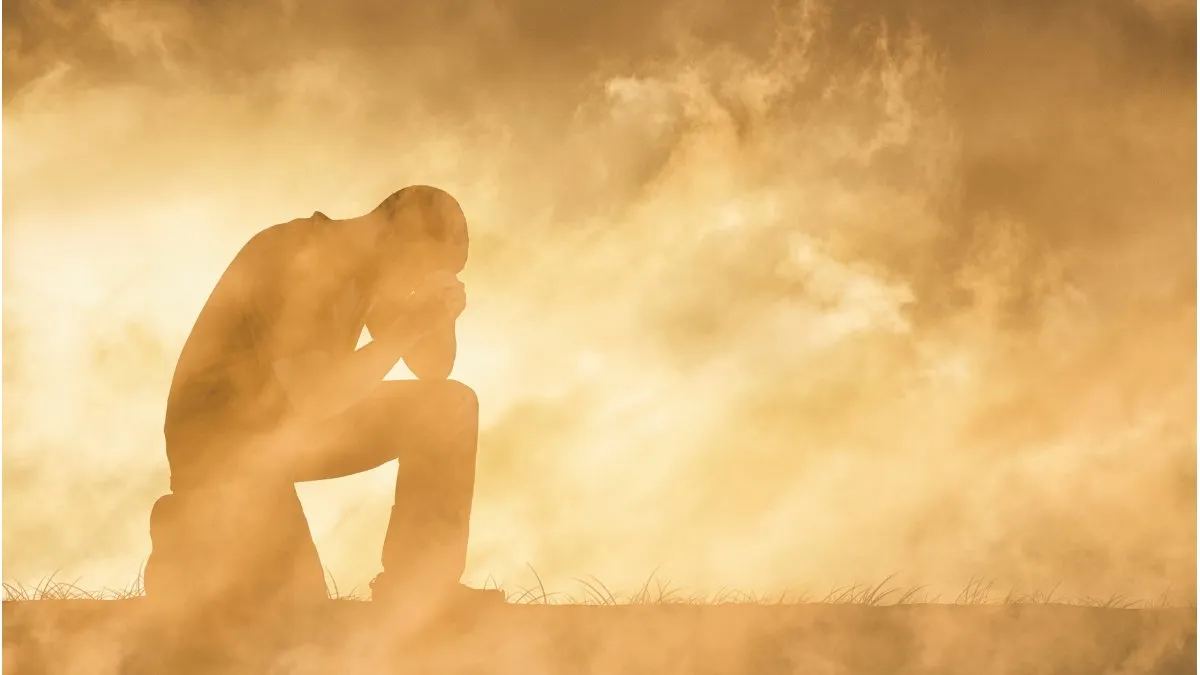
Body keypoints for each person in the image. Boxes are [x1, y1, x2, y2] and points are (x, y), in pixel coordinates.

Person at [144, 185, 502, 614]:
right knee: (292, 609)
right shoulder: (298, 257)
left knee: (446, 407)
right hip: (221, 445)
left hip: (283, 432)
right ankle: (190, 528)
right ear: (401, 237)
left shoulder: (371, 271)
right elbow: (316, 397)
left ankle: (423, 589)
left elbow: (433, 369)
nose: (416, 285)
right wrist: (411, 323)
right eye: (423, 269)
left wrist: (439, 316)